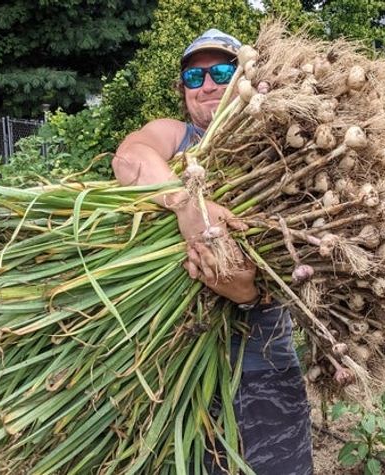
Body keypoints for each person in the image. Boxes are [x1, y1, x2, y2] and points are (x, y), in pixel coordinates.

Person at [112, 29, 314, 475]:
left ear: (246, 76)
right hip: (170, 369)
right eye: (194, 75)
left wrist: (249, 293)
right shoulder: (175, 137)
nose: (208, 84)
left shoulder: (287, 151)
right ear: (182, 90)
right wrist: (185, 202)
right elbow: (130, 157)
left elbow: (309, 269)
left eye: (223, 71)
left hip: (262, 364)